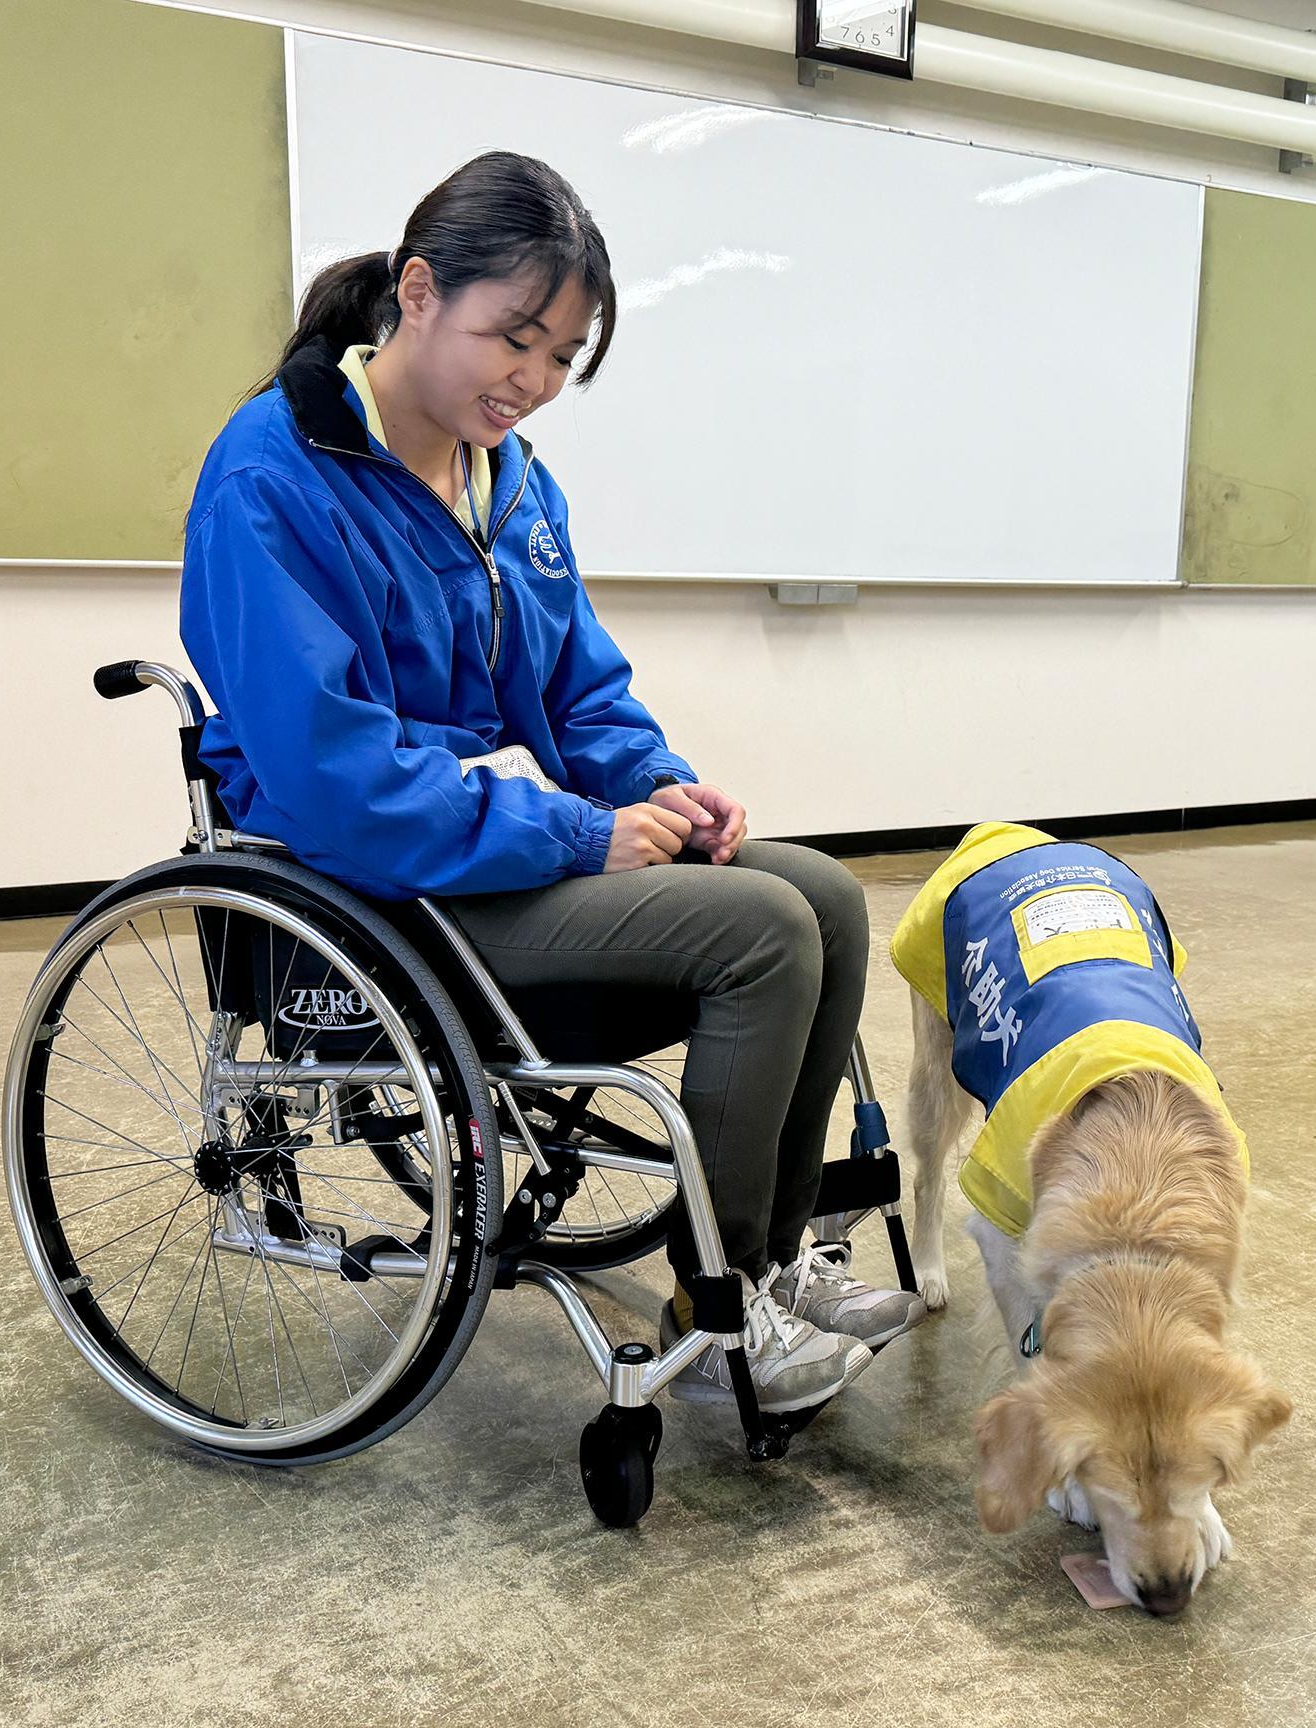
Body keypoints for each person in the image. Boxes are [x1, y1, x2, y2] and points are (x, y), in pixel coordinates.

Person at [179, 151, 922, 1415]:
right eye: (510, 337)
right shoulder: (272, 477)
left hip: (496, 848)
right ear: (417, 294)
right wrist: (579, 832)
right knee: (757, 938)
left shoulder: (509, 482)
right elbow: (333, 776)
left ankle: (777, 1263)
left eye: (560, 356)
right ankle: (722, 1309)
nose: (531, 381)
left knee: (823, 898)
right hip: (377, 884)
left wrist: (663, 791)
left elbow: (580, 693)